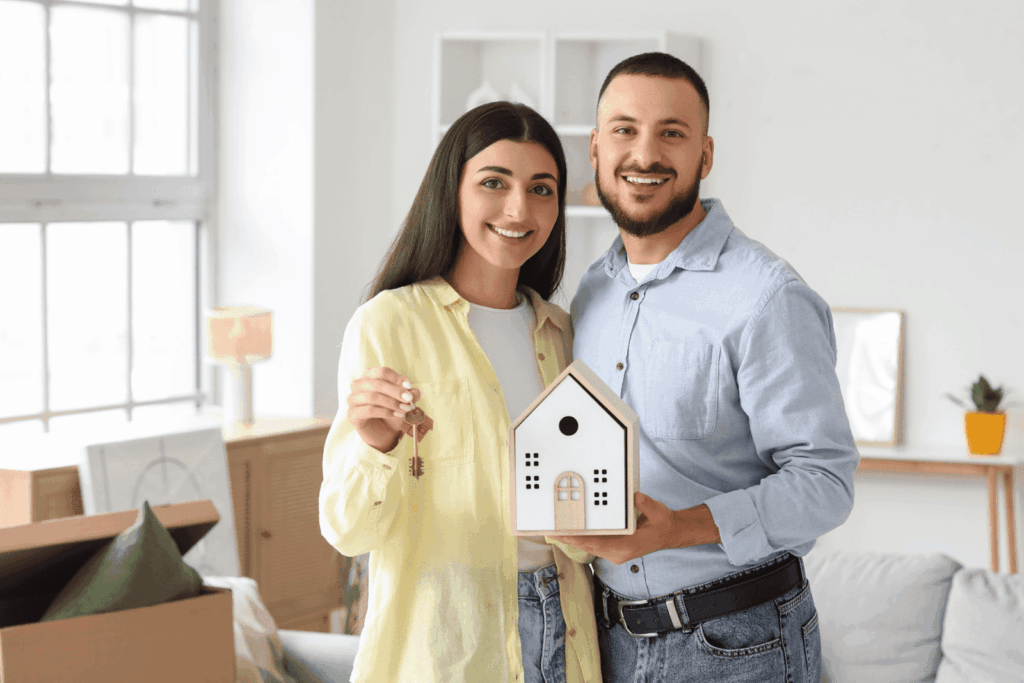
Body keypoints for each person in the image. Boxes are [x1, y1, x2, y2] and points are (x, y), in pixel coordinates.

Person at [551, 52, 860, 682]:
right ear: (596, 149)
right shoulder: (591, 293)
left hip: (740, 646)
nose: (644, 154)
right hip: (607, 642)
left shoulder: (766, 296)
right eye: (625, 130)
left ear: (705, 155)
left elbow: (826, 483)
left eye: (672, 132)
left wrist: (679, 529)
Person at [319, 101, 601, 683]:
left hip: (568, 633)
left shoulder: (564, 335)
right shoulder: (389, 324)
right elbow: (348, 532)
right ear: (452, 191)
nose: (518, 208)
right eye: (494, 182)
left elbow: (579, 523)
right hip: (449, 646)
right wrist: (377, 447)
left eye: (541, 189)